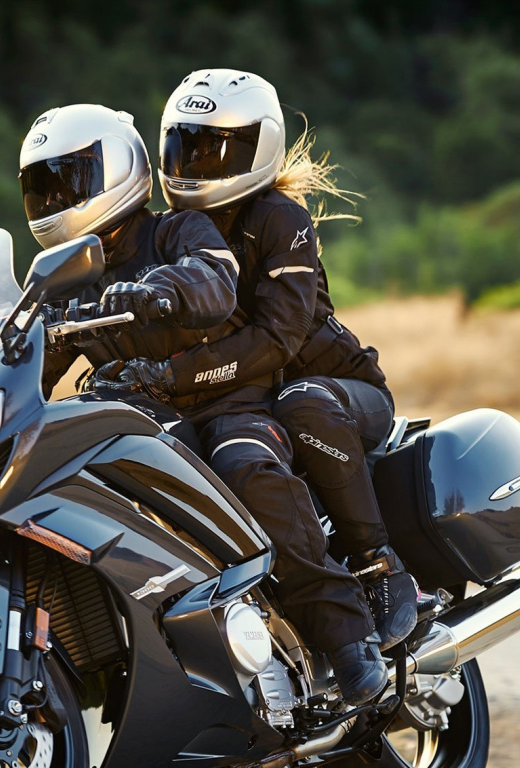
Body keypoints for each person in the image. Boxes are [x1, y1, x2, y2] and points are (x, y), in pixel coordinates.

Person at [19, 104, 387, 705]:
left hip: (230, 404)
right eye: (43, 186)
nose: (56, 197)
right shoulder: (65, 275)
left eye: (70, 179)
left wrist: (160, 292)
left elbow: (213, 280)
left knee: (249, 471)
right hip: (142, 418)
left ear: (118, 168)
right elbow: (34, 359)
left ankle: (348, 639)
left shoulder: (178, 230)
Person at [142, 69, 418, 651]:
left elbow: (278, 341)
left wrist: (178, 375)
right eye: (184, 146)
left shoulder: (279, 219)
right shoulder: (169, 232)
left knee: (304, 403)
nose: (195, 164)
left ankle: (378, 564)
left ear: (259, 147)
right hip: (259, 398)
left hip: (338, 389)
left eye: (215, 149)